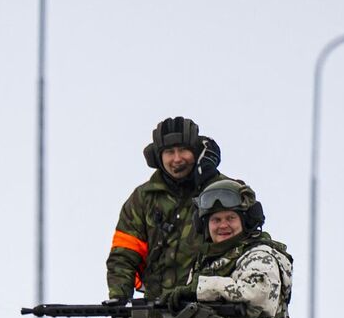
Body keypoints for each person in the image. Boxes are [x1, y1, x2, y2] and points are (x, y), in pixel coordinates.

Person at [106, 116, 250, 305]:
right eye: (169, 152)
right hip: (156, 309)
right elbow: (124, 254)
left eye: (183, 150)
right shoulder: (143, 198)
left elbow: (248, 245)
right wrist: (119, 300)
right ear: (158, 157)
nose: (177, 159)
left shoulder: (223, 192)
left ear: (196, 152)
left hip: (211, 308)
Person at [164, 179, 292, 318]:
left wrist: (199, 289)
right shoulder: (207, 260)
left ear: (245, 221)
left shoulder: (260, 255)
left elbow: (257, 293)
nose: (223, 226)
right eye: (216, 220)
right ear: (205, 226)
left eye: (230, 218)